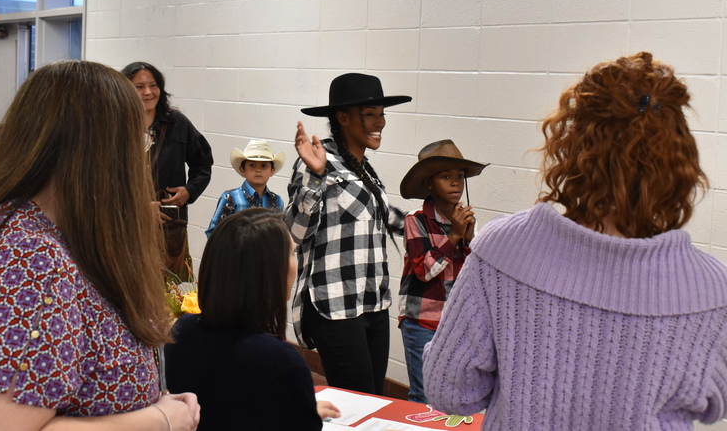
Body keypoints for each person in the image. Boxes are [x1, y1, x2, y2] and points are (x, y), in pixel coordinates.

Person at [423, 52, 727, 429]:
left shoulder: (502, 250)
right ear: (679, 159)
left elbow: (450, 391)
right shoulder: (712, 292)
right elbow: (716, 405)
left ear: (571, 145)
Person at [0, 60, 200, 430]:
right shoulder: (26, 257)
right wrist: (161, 420)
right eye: (139, 140)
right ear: (102, 152)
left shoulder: (44, 235)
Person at [285, 72, 411, 395]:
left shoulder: (364, 168)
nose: (379, 122)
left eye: (382, 114)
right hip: (334, 304)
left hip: (373, 301)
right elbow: (295, 231)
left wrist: (438, 227)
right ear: (342, 118)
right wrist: (315, 176)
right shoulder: (317, 160)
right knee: (357, 403)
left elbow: (385, 216)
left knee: (373, 400)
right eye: (370, 114)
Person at [164, 208, 340, 430]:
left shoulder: (182, 331)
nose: (296, 264)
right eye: (292, 254)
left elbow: (229, 408)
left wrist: (298, 408)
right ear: (270, 271)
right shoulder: (281, 362)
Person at [397, 139, 488, 403]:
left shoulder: (466, 220)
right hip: (422, 321)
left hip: (455, 323)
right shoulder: (416, 220)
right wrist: (454, 237)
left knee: (452, 394)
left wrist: (469, 241)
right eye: (445, 176)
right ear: (428, 184)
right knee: (423, 393)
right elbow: (424, 270)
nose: (455, 183)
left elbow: (476, 274)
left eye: (459, 176)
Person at [122, 61, 213, 273]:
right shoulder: (115, 125)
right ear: (125, 89)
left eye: (153, 85)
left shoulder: (177, 123)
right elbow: (104, 179)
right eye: (139, 87)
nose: (148, 92)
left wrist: (190, 190)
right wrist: (140, 205)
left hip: (170, 226)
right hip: (127, 224)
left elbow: (203, 162)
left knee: (173, 292)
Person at [204, 139, 285, 237]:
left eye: (264, 166)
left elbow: (280, 234)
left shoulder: (277, 201)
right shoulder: (230, 198)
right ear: (242, 170)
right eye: (252, 165)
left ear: (272, 171)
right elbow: (214, 232)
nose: (258, 170)